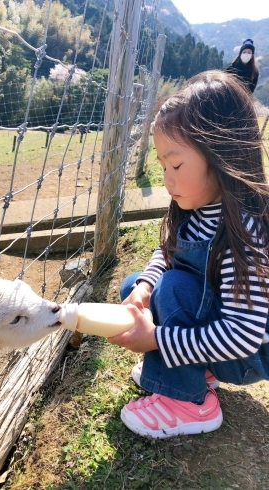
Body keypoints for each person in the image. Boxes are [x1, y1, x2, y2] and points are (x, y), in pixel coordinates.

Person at [108, 70, 269, 439]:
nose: (167, 178)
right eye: (163, 166)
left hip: (246, 355)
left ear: (221, 154)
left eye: (177, 165)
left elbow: (244, 335)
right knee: (137, 284)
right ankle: (189, 369)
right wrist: (145, 286)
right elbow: (165, 253)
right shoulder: (194, 210)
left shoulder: (242, 231)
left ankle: (191, 403)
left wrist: (156, 341)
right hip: (220, 337)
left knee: (176, 287)